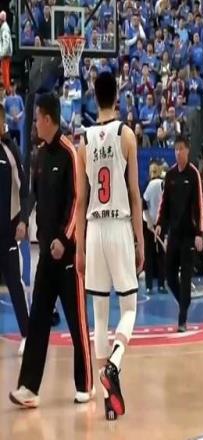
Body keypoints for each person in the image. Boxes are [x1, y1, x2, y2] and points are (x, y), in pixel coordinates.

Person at [9, 93, 93, 408]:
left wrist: (65, 238)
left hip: (68, 256)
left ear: (47, 119)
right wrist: (25, 221)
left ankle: (86, 384)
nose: (34, 125)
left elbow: (78, 200)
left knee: (76, 320)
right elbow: (35, 196)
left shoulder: (70, 153)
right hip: (46, 253)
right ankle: (29, 387)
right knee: (38, 319)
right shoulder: (40, 156)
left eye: (36, 119)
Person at [75, 72, 144, 421]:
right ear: (116, 96)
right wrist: (140, 239)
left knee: (99, 317)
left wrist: (79, 247)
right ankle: (114, 364)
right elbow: (134, 194)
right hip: (118, 224)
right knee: (129, 308)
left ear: (94, 96)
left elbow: (80, 199)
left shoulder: (83, 141)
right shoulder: (125, 135)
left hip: (93, 228)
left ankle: (108, 402)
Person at [155, 135, 203, 332]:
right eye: (176, 149)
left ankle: (182, 319)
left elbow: (199, 206)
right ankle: (185, 302)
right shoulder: (170, 176)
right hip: (174, 234)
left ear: (187, 150)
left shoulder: (193, 174)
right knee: (169, 275)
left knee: (185, 278)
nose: (178, 152)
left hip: (189, 235)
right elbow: (164, 204)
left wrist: (200, 233)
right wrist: (160, 224)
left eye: (181, 148)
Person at [0, 104, 29, 356]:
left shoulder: (10, 150)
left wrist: (23, 220)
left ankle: (28, 335)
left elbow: (24, 188)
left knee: (15, 284)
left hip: (7, 231)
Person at [143, 162, 166, 293]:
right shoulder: (152, 185)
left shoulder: (163, 185)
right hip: (149, 224)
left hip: (158, 223)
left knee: (158, 254)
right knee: (151, 254)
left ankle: (157, 285)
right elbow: (144, 203)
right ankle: (150, 286)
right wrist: (149, 221)